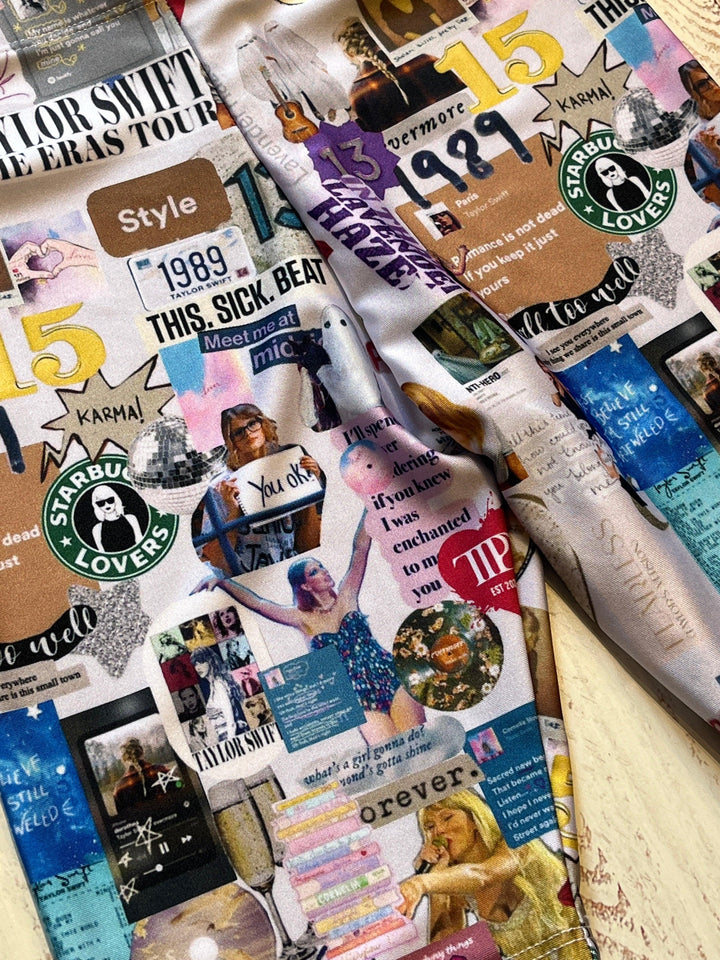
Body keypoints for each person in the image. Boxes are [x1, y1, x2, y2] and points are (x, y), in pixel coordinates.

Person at [197, 512, 425, 745]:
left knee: (421, 742)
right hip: (357, 696)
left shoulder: (347, 596)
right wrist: (223, 582)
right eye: (315, 571)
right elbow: (258, 603)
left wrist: (370, 505)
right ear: (305, 586)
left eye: (322, 566)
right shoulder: (300, 618)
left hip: (388, 675)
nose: (324, 571)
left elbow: (360, 548)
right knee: (394, 752)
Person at [399, 791, 580, 958]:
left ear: (473, 819)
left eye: (447, 818)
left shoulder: (515, 842)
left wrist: (420, 883)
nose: (438, 831)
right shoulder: (454, 885)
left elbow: (485, 875)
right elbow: (447, 953)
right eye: (430, 827)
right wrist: (436, 876)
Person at [194, 402, 325, 576]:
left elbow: (309, 546)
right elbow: (217, 560)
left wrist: (309, 487)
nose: (248, 433)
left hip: (293, 571)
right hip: (253, 579)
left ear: (263, 425)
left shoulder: (289, 467)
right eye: (238, 432)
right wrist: (233, 511)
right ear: (231, 441)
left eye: (252, 424)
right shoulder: (220, 487)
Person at [334, 18, 465, 132]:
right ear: (378, 37)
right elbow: (464, 100)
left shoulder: (357, 94)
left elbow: (375, 144)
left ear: (349, 54)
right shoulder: (424, 60)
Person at [401, 382, 527, 485]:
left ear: (431, 400)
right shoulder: (430, 431)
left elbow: (499, 454)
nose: (421, 412)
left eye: (421, 406)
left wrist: (503, 481)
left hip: (507, 469)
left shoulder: (470, 415)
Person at [190, 646, 248, 742]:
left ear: (210, 661)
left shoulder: (218, 684)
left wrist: (231, 742)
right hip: (224, 734)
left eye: (201, 662)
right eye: (196, 664)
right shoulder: (214, 684)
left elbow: (231, 722)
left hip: (228, 735)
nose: (198, 667)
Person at [113, 738, 174, 813]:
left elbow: (123, 817)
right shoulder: (161, 770)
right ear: (142, 752)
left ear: (124, 760)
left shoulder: (119, 788)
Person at [91, 484, 142, 552]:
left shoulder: (131, 519)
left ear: (116, 499)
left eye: (110, 500)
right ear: (96, 505)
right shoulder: (97, 529)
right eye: (101, 503)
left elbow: (140, 542)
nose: (106, 505)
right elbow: (102, 553)